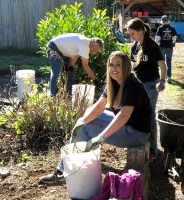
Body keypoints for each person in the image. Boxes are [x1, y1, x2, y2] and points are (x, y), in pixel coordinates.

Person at [39, 51, 152, 184]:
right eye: (111, 64)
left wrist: (101, 136)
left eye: (118, 65)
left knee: (86, 128)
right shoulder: (114, 82)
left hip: (136, 134)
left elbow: (123, 116)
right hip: (128, 126)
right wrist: (81, 120)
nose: (114, 68)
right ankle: (79, 161)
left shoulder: (131, 85)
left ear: (126, 66)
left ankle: (64, 170)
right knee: (86, 120)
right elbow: (98, 107)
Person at [126, 18, 166, 160]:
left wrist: (162, 80)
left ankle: (153, 150)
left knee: (149, 116)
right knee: (135, 115)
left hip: (150, 85)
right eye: (129, 34)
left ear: (141, 30)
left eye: (133, 33)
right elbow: (132, 67)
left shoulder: (152, 46)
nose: (131, 36)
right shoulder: (134, 46)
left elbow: (162, 64)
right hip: (137, 85)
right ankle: (140, 144)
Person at [155, 15, 177, 83]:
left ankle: (162, 77)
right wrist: (172, 42)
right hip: (170, 47)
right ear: (167, 21)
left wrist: (157, 43)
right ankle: (169, 77)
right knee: (169, 62)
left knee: (162, 63)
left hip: (162, 47)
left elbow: (157, 38)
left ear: (162, 21)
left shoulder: (160, 28)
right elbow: (175, 37)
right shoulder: (172, 28)